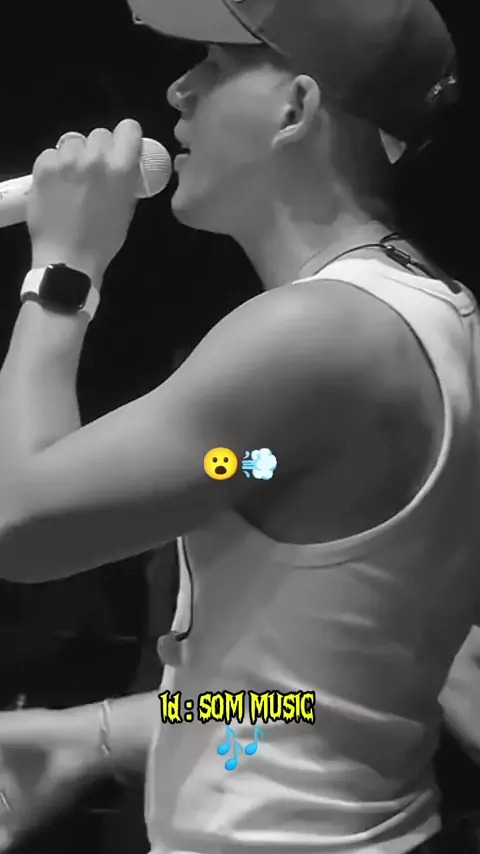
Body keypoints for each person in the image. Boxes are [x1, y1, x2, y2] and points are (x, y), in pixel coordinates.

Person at [0, 1, 479, 852]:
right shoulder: (427, 313)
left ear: (296, 107)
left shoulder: (319, 334)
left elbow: (20, 526)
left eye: (216, 64)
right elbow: (305, 705)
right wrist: (89, 734)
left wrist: (63, 269)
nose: (178, 90)